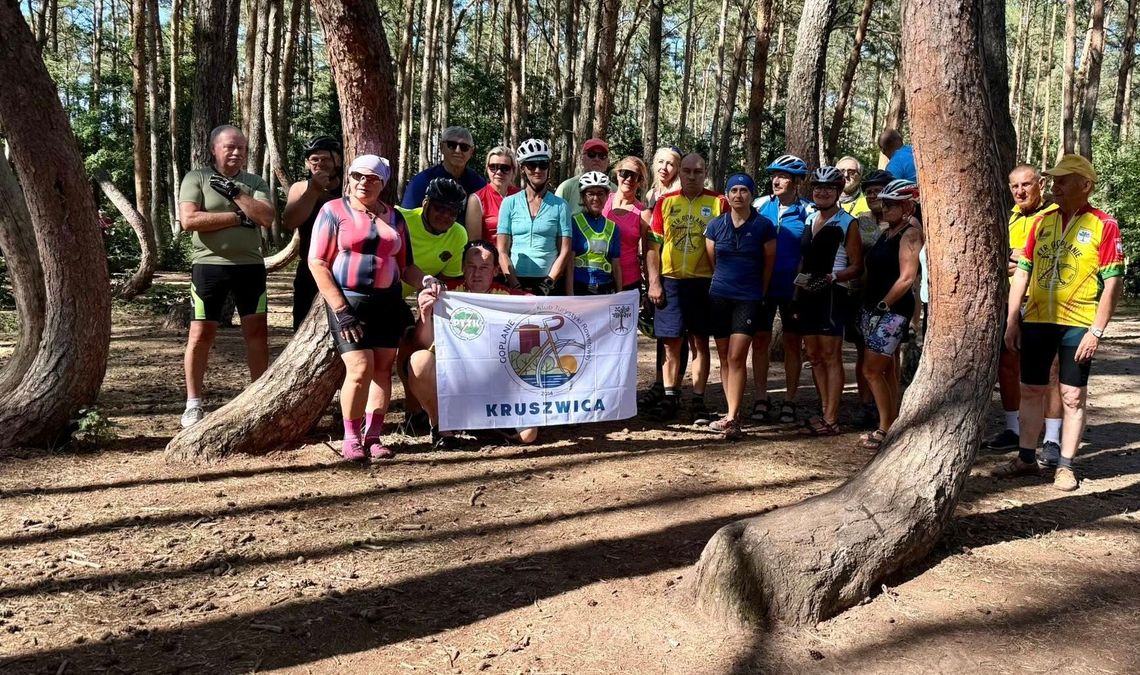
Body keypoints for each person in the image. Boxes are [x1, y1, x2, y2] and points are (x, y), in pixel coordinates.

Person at [994, 154, 1125, 491]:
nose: (1055, 186)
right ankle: (1026, 458)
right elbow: (1022, 272)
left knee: (1072, 395)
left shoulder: (1104, 225)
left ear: (1086, 185)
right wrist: (1012, 319)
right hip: (1037, 318)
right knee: (1031, 389)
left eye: (1063, 180)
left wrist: (1096, 331)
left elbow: (1113, 283)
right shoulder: (1042, 222)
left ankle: (1065, 465)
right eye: (1053, 179)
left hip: (1078, 322)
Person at [309, 154, 426, 462]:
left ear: (382, 183)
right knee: (360, 369)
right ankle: (351, 437)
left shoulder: (395, 218)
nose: (363, 183)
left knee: (383, 370)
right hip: (350, 302)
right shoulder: (333, 211)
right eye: (358, 176)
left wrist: (427, 281)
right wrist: (340, 307)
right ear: (349, 177)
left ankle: (373, 436)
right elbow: (318, 262)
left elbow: (407, 266)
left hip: (388, 302)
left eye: (372, 178)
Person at [178, 125, 276, 429]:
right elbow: (189, 220)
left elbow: (267, 217)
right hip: (209, 266)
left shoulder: (254, 182)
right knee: (201, 334)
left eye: (242, 148)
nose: (236, 153)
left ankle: (260, 397)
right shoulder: (197, 178)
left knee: (257, 334)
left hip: (250, 267)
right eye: (229, 147)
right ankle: (193, 404)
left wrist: (236, 193)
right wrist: (238, 217)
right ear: (213, 149)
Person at [406, 241, 538, 450]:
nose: (477, 273)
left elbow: (541, 307)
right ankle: (441, 426)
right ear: (463, 267)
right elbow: (421, 343)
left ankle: (486, 424)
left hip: (498, 382)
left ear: (495, 270)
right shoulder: (445, 293)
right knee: (419, 361)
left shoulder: (509, 297)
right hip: (454, 379)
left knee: (529, 436)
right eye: (471, 266)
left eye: (484, 267)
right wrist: (425, 314)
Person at [984, 163, 1064, 454]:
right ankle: (1012, 428)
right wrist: (1012, 258)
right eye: (1015, 186)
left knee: (1050, 369)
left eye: (1026, 185)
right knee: (1008, 365)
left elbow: (1053, 259)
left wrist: (1022, 259)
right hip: (1010, 301)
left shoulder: (1054, 216)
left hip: (1045, 303)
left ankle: (1052, 437)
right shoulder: (1010, 219)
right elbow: (999, 259)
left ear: (1040, 184)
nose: (1020, 191)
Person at [646, 153, 728, 424]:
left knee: (700, 343)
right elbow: (653, 246)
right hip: (671, 281)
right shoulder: (665, 202)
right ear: (679, 173)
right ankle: (670, 396)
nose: (692, 176)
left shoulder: (719, 202)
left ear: (705, 173)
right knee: (671, 343)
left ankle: (698, 399)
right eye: (687, 171)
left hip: (704, 283)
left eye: (698, 171)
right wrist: (654, 281)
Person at [704, 173, 776, 439]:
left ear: (751, 195)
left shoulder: (764, 226)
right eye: (733, 190)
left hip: (749, 297)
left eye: (743, 190)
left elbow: (769, 263)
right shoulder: (715, 226)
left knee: (736, 356)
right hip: (720, 295)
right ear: (726, 195)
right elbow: (713, 260)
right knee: (724, 358)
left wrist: (760, 292)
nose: (738, 195)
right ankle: (730, 411)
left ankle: (734, 418)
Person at [793, 167, 864, 435]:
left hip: (833, 293)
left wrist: (833, 277)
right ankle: (825, 412)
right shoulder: (810, 219)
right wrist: (797, 290)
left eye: (829, 188)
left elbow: (857, 266)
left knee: (830, 355)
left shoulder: (848, 222)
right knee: (813, 355)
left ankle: (832, 419)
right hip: (808, 292)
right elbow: (804, 260)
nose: (822, 192)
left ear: (837, 192)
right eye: (818, 187)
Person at [858, 179, 923, 450]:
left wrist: (883, 305)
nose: (884, 209)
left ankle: (886, 427)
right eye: (883, 204)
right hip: (874, 307)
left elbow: (907, 278)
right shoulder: (888, 230)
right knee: (883, 369)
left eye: (890, 204)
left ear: (907, 205)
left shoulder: (910, 233)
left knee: (871, 369)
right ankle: (889, 422)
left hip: (892, 311)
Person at [751, 154, 813, 425]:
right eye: (775, 175)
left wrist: (805, 285)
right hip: (762, 285)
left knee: (791, 342)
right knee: (761, 341)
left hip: (794, 288)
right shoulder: (759, 205)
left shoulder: (809, 211)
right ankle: (761, 397)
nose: (777, 180)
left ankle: (790, 399)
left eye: (784, 176)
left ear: (796, 181)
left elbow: (811, 253)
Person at [639, 146, 688, 411]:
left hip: (678, 272)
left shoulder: (681, 195)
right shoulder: (651, 195)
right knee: (663, 332)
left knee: (677, 333)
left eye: (670, 163)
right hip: (655, 268)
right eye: (660, 162)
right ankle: (660, 383)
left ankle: (674, 387)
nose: (664, 168)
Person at [845, 169, 894, 428]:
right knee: (863, 351)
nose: (874, 195)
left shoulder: (901, 220)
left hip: (892, 298)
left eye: (879, 190)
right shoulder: (860, 220)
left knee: (889, 357)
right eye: (870, 191)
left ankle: (888, 409)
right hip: (861, 295)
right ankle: (865, 405)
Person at [496, 138, 572, 295]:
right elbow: (502, 250)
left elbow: (565, 251)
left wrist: (548, 284)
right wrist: (514, 285)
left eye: (543, 164)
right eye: (532, 165)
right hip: (515, 279)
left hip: (549, 281)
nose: (538, 169)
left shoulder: (561, 206)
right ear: (523, 168)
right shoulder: (509, 203)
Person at [283, 135, 343, 330]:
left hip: (344, 270)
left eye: (325, 159)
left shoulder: (351, 187)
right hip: (310, 269)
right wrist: (314, 190)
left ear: (338, 160)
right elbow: (290, 221)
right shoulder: (300, 188)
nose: (319, 164)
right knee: (302, 325)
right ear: (307, 163)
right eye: (314, 160)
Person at [401, 126, 486, 229]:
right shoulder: (421, 181)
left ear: (471, 152)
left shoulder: (479, 183)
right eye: (452, 145)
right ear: (441, 147)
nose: (458, 151)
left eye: (464, 147)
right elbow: (406, 219)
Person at [399, 177, 469, 294]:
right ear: (425, 204)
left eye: (453, 212)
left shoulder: (458, 235)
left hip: (397, 299)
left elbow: (448, 281)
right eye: (439, 208)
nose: (445, 215)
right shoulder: (398, 219)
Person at [567, 171, 622, 294]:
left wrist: (619, 296)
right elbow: (569, 263)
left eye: (600, 194)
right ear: (582, 197)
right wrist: (570, 297)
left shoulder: (613, 228)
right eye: (590, 194)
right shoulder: (574, 222)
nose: (595, 198)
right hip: (580, 289)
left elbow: (616, 265)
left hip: (605, 289)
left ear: (607, 196)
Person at [605, 156, 648, 293]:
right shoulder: (602, 200)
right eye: (625, 173)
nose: (629, 179)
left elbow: (647, 254)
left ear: (640, 181)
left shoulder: (643, 213)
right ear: (617, 174)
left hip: (629, 281)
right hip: (599, 278)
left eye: (635, 176)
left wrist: (648, 288)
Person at [466, 145, 520, 242]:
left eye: (505, 168)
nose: (499, 172)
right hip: (490, 255)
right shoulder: (476, 199)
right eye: (493, 167)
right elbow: (474, 244)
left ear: (513, 170)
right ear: (487, 169)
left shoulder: (522, 196)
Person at [555, 138, 614, 214]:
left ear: (607, 161)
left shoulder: (615, 190)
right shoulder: (566, 187)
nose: (596, 159)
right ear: (581, 158)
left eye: (602, 156)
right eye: (591, 154)